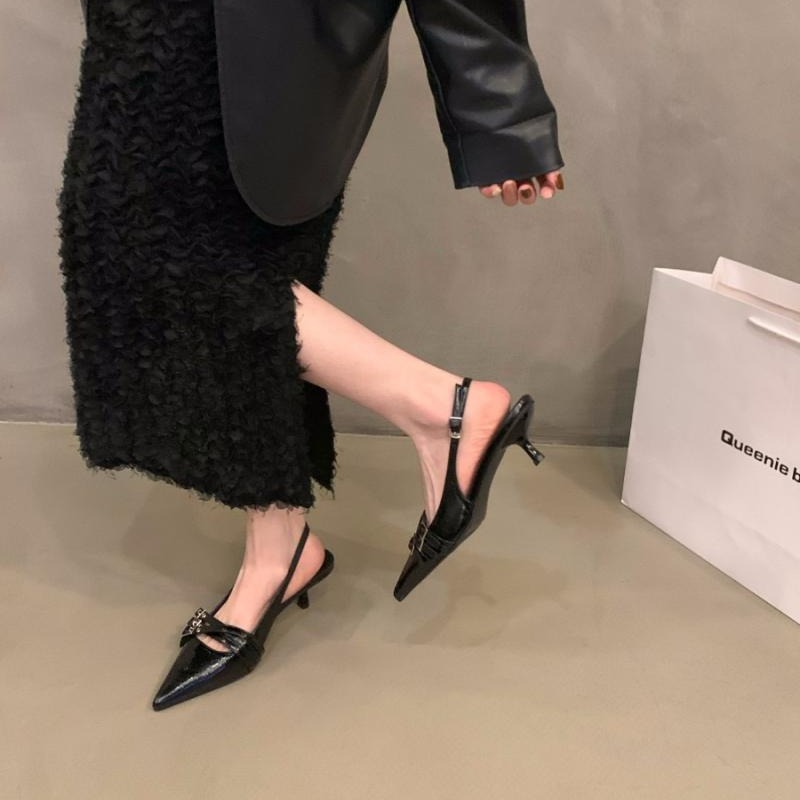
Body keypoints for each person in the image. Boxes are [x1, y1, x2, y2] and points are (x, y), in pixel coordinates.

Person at [58, 0, 565, 711]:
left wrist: (503, 115)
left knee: (205, 264)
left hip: (265, 26)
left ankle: (443, 412)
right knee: (137, 244)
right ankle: (285, 549)